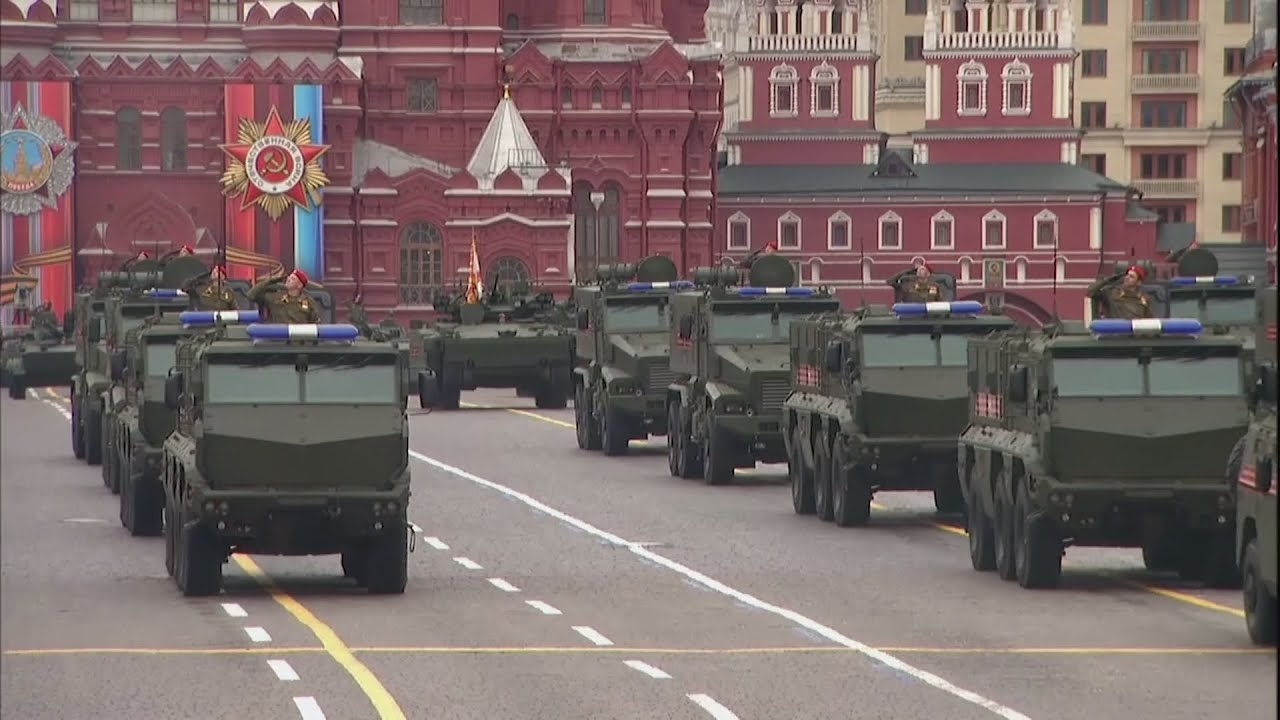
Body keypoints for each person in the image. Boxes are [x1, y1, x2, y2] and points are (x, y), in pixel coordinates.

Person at [249, 269, 320, 323]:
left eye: (292, 279)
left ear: (299, 285)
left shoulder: (309, 302)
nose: (288, 279)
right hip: (279, 339)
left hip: (299, 340)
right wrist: (271, 280)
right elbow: (251, 295)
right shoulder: (276, 298)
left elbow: (316, 324)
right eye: (289, 277)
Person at [1087, 264, 1154, 319]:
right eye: (1127, 275)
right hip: (1113, 331)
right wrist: (1108, 280)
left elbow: (1149, 320)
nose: (1127, 277)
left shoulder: (1144, 299)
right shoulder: (1112, 292)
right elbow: (1091, 292)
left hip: (1133, 333)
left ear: (1138, 282)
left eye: (1131, 276)